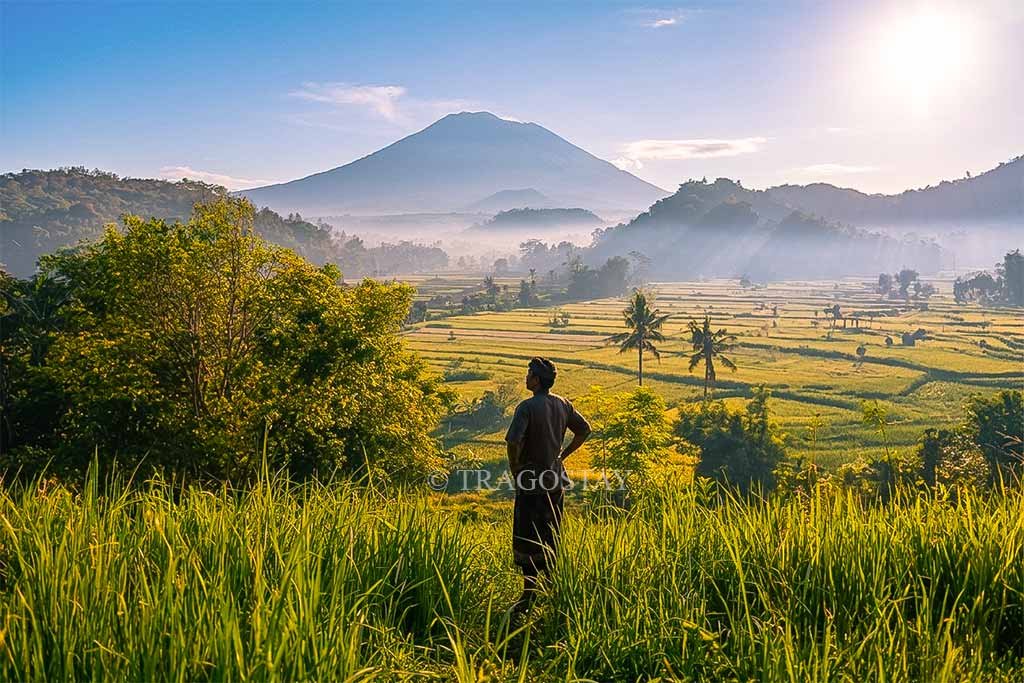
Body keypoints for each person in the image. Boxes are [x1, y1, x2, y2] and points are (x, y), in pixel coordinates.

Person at [504, 356, 591, 615]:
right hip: (555, 482)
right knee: (550, 532)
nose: (526, 377)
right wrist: (562, 455)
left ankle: (529, 594)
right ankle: (552, 587)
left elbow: (512, 442)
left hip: (531, 483)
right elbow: (584, 430)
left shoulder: (527, 407)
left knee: (527, 535)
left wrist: (516, 469)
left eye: (529, 373)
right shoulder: (563, 404)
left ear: (537, 380)